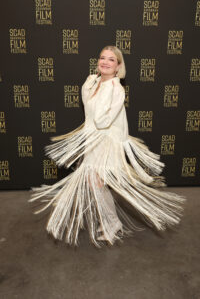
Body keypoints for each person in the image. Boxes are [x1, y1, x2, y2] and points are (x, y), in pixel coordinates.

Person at [29, 45, 186, 248]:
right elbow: (88, 110)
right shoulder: (94, 83)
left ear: (118, 65)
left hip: (107, 142)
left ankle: (111, 224)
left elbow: (102, 120)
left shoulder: (115, 89)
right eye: (102, 57)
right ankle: (110, 222)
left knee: (97, 183)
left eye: (111, 59)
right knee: (95, 183)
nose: (105, 62)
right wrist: (90, 86)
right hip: (93, 141)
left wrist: (99, 92)